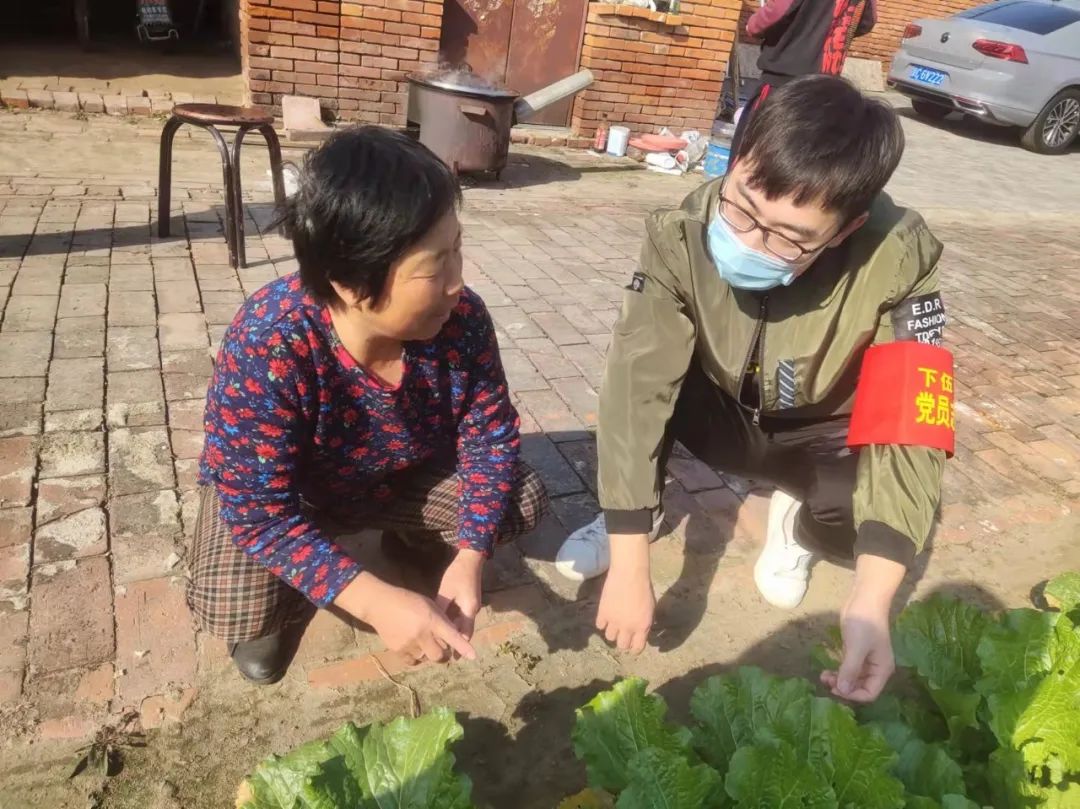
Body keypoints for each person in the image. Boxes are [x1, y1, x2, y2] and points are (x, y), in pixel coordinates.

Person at [557, 76, 951, 703]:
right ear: (738, 160)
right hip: (716, 408)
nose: (747, 241)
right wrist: (632, 563)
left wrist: (872, 606)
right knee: (643, 386)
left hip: (818, 427)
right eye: (742, 207)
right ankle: (639, 515)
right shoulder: (682, 232)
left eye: (788, 237)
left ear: (843, 231)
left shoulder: (900, 257)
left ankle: (795, 528)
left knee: (870, 524)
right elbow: (636, 389)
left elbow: (911, 422)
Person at [187, 127, 548, 684]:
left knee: (518, 499)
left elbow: (490, 436)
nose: (457, 284)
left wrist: (471, 555)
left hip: (394, 480)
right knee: (230, 603)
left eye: (458, 249)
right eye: (434, 268)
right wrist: (373, 601)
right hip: (294, 497)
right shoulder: (272, 341)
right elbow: (260, 512)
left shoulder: (462, 319)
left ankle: (408, 540)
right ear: (352, 284)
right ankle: (288, 602)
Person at [731, 0, 877, 154]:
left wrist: (753, 25)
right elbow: (868, 20)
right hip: (826, 82)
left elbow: (778, 9)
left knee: (755, 145)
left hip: (785, 76)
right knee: (802, 149)